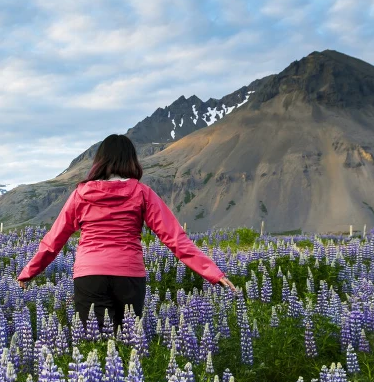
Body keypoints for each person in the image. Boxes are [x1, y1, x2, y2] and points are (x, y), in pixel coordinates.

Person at [17, 134, 238, 327]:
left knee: (95, 350)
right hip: (129, 276)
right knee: (128, 348)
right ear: (131, 160)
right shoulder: (142, 192)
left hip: (90, 274)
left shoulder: (81, 194)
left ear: (99, 161)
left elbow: (54, 240)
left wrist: (29, 271)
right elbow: (175, 238)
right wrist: (212, 273)